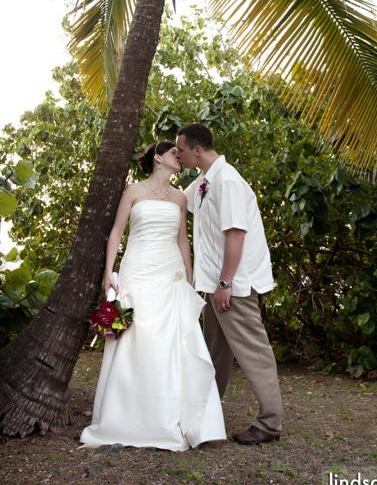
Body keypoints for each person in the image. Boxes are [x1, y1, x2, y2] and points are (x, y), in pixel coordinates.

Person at [80, 141, 226, 451]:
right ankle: (127, 417)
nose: (179, 155)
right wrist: (110, 271)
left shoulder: (179, 197)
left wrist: (189, 276)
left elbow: (182, 241)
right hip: (137, 269)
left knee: (170, 340)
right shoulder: (133, 191)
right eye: (174, 152)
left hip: (168, 272)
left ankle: (171, 416)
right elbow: (118, 232)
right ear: (158, 158)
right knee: (134, 337)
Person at [176, 123, 283, 445]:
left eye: (179, 150)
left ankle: (270, 423)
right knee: (214, 353)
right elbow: (177, 201)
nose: (177, 155)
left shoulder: (229, 182)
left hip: (233, 286)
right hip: (212, 284)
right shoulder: (205, 182)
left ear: (197, 150)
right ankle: (206, 411)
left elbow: (236, 234)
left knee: (254, 352)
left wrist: (225, 283)